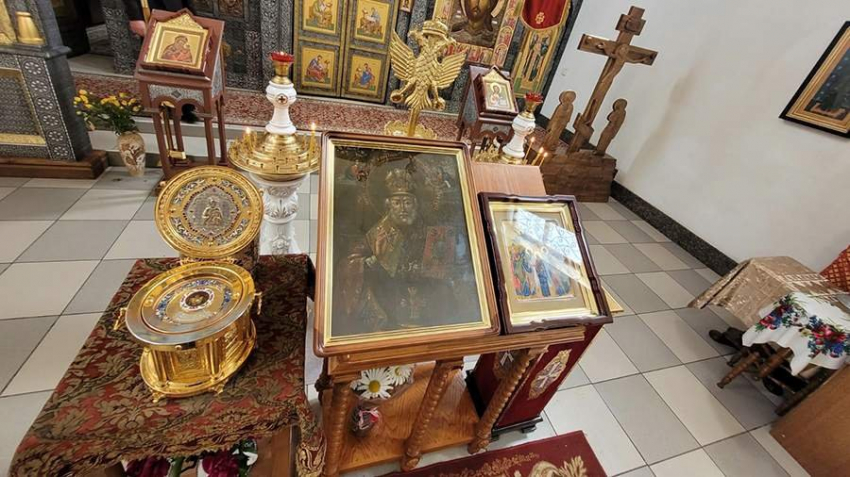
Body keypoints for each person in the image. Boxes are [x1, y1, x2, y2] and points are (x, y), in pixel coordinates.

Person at [124, 0, 199, 123]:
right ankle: (162, 103)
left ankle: (185, 106)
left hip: (177, 10)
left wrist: (192, 13)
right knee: (157, 60)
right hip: (150, 10)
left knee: (185, 62)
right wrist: (135, 16)